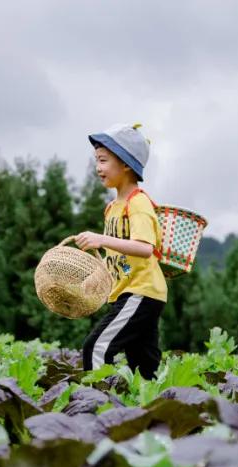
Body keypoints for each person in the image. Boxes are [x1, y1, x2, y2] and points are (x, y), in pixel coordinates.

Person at [75, 123, 167, 379]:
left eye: (103, 160)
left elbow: (144, 248)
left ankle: (95, 408)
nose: (98, 168)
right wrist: (96, 276)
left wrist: (101, 239)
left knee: (95, 348)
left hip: (140, 292)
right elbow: (117, 254)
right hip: (133, 293)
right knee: (144, 366)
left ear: (126, 164)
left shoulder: (137, 203)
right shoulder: (112, 208)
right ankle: (152, 410)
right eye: (97, 161)